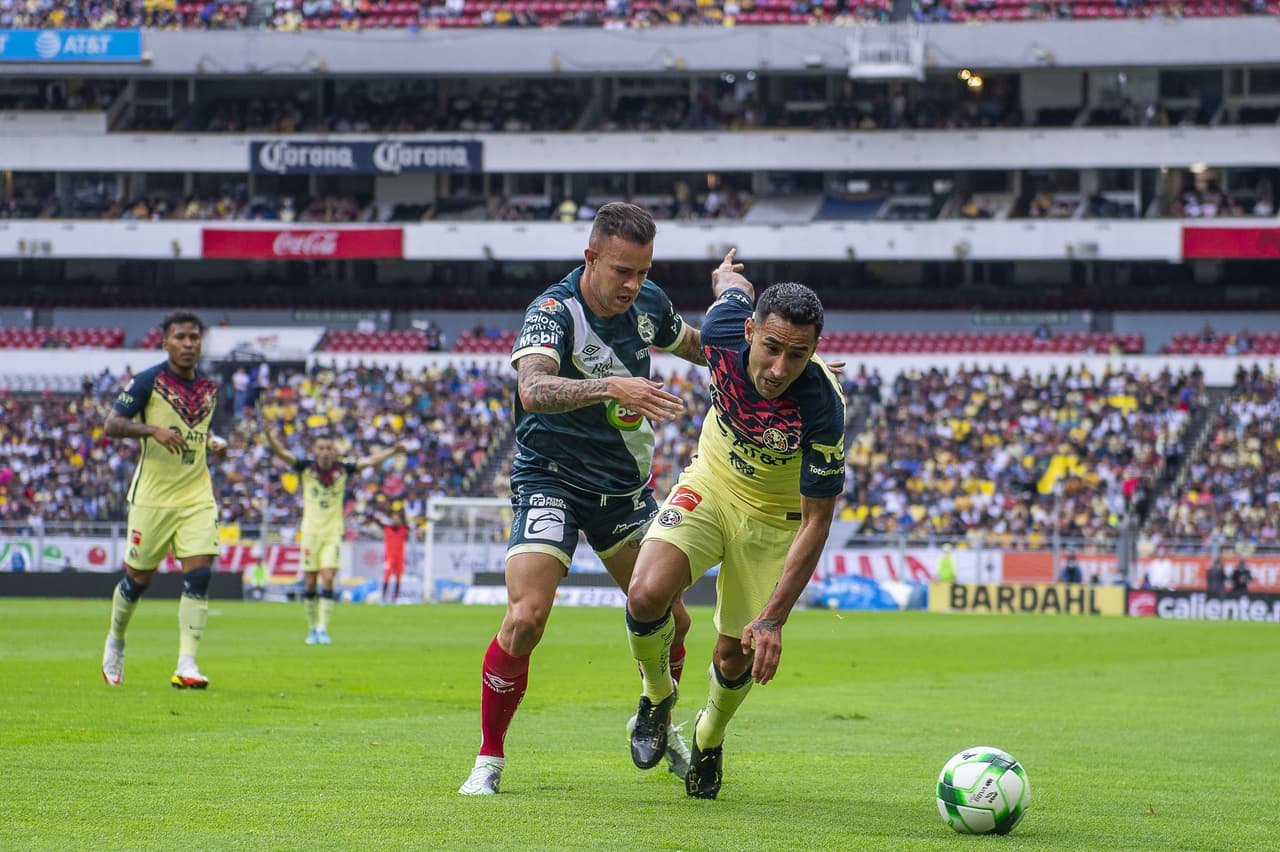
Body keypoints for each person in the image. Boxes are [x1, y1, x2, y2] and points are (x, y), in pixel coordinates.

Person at [458, 201, 708, 796]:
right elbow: (534, 387)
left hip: (623, 491)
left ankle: (657, 715)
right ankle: (489, 760)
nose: (633, 284)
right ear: (590, 257)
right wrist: (612, 385)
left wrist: (766, 354)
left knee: (673, 618)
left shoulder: (649, 304)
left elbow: (697, 345)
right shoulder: (552, 311)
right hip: (551, 479)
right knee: (526, 617)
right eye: (622, 270)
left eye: (643, 271)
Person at [625, 249, 846, 800]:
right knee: (647, 592)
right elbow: (729, 287)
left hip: (776, 518)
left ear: (815, 352)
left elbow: (818, 521)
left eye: (798, 356)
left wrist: (773, 619)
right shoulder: (724, 327)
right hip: (713, 482)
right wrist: (727, 275)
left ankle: (709, 735)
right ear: (749, 331)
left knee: (732, 653)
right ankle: (656, 696)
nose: (778, 369)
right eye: (771, 348)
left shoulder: (823, 405)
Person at [100, 311, 227, 689]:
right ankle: (116, 639)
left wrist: (211, 441)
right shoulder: (146, 382)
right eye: (181, 337)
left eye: (194, 337)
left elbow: (194, 429)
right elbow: (112, 424)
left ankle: (187, 664)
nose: (188, 343)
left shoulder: (209, 389)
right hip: (152, 498)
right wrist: (151, 429)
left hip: (196, 495)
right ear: (166, 342)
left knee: (200, 575)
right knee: (139, 579)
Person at [263, 429, 405, 644]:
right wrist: (270, 437)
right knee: (310, 582)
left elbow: (370, 461)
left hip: (332, 532)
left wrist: (392, 452)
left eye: (329, 448)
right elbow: (282, 454)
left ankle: (322, 628)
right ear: (314, 450)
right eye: (321, 448)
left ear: (335, 450)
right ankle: (311, 628)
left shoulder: (343, 470)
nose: (325, 452)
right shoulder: (305, 468)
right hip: (311, 532)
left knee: (328, 578)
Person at [377, 506, 411, 604]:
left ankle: (395, 598)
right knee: (386, 577)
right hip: (389, 558)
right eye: (394, 518)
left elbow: (409, 524)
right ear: (391, 519)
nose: (396, 520)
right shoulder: (387, 528)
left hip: (400, 558)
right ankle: (383, 598)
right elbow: (377, 520)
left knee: (398, 579)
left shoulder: (404, 529)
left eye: (397, 518)